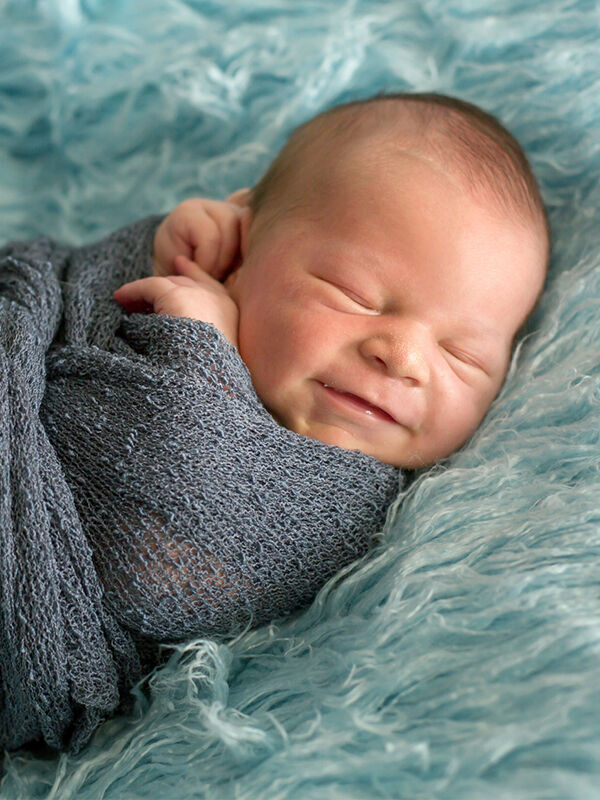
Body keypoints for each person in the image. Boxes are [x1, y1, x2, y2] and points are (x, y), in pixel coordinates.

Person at [113, 91, 549, 469]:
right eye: (353, 295)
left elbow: (179, 529)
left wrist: (207, 363)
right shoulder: (201, 281)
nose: (404, 359)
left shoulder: (399, 511)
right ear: (242, 252)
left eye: (462, 355)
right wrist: (156, 257)